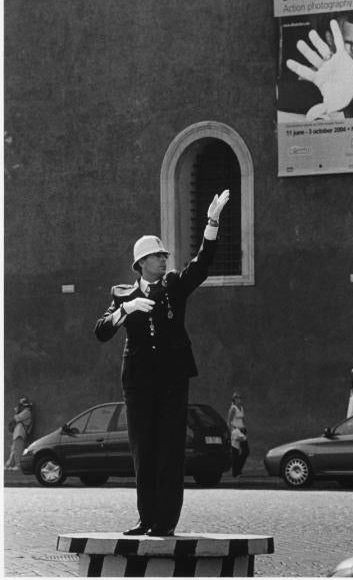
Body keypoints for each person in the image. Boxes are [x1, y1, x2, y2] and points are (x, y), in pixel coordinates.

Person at [94, 189, 229, 536]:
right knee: (144, 451)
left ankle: (165, 522)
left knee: (170, 450)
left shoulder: (173, 286)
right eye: (157, 256)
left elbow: (200, 266)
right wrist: (125, 310)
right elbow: (101, 332)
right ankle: (146, 517)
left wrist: (211, 223)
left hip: (172, 379)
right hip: (138, 382)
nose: (164, 259)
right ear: (140, 264)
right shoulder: (121, 293)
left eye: (165, 254)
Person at [5, 397, 33, 470]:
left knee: (18, 450)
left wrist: (16, 411)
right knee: (14, 449)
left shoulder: (27, 412)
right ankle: (9, 464)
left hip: (20, 433)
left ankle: (18, 465)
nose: (21, 407)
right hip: (17, 434)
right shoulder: (25, 411)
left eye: (21, 405)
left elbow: (16, 418)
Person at [227, 392, 249, 477]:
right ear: (234, 399)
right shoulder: (233, 408)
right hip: (235, 431)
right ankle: (235, 472)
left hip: (242, 431)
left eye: (240, 398)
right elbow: (229, 421)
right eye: (237, 398)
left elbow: (241, 420)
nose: (239, 399)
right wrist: (231, 432)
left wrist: (244, 427)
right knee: (235, 452)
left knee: (246, 451)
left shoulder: (241, 408)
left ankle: (238, 468)